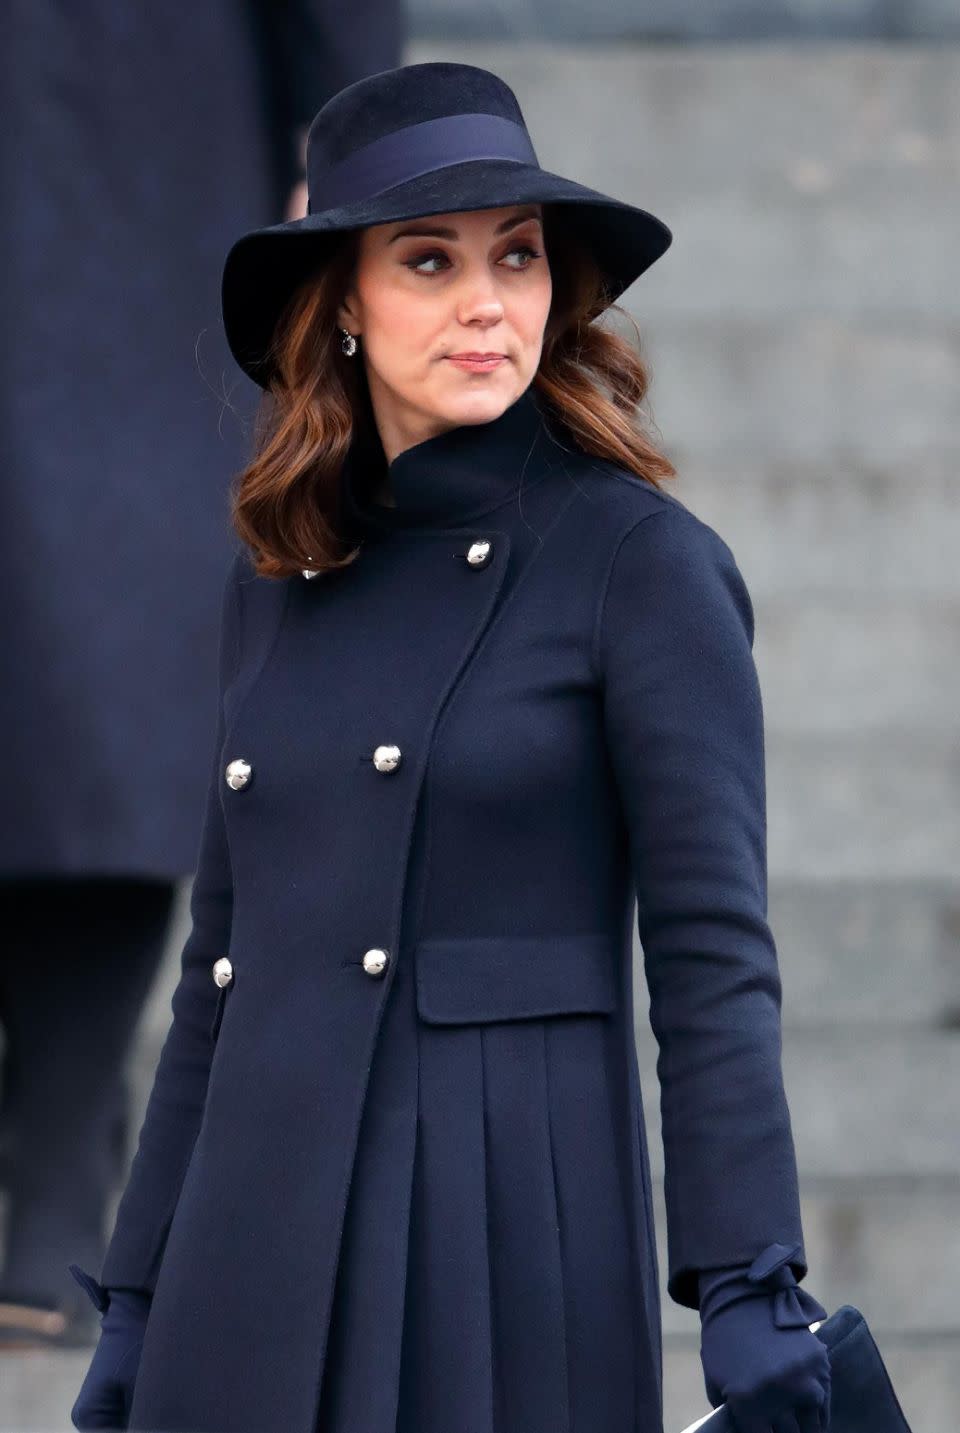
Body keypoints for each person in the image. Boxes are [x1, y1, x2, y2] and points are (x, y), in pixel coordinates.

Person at [69, 60, 832, 1433]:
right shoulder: (279, 581)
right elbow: (219, 970)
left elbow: (714, 947)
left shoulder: (638, 564)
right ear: (345, 305)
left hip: (500, 1234)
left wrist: (748, 1272)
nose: (489, 302)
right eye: (430, 259)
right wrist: (134, 1297)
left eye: (519, 257)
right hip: (247, 1249)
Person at [0, 0, 402, 1351]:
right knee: (102, 675)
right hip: (146, 136)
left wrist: (343, 140)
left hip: (141, 146)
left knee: (104, 670)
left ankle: (55, 1192)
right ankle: (53, 1198)